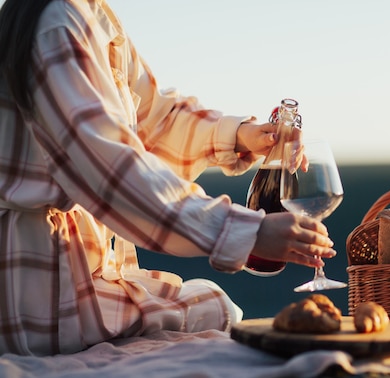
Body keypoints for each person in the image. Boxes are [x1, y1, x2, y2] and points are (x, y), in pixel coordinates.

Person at [0, 0, 336, 356]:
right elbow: (111, 169)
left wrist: (242, 135)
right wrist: (245, 233)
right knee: (217, 312)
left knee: (215, 308)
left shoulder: (90, 15)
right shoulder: (59, 25)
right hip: (42, 292)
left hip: (72, 276)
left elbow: (155, 122)